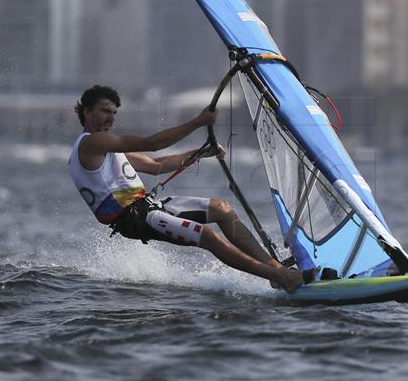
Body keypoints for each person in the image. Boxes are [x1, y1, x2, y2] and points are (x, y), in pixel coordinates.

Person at [68, 85, 306, 293]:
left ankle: (276, 270)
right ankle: (280, 278)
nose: (110, 118)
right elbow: (152, 144)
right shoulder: (92, 142)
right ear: (87, 112)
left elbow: (155, 166)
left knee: (221, 209)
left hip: (148, 207)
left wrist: (200, 153)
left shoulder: (107, 146)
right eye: (104, 111)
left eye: (114, 113)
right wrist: (198, 122)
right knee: (207, 236)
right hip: (134, 219)